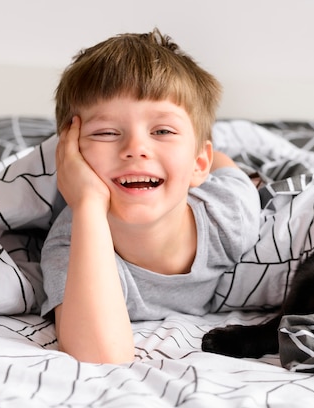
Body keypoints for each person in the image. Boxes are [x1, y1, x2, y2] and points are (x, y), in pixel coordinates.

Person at [40, 29, 261, 364]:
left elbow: (226, 170)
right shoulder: (71, 245)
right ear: (70, 159)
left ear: (199, 164)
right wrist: (85, 204)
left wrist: (200, 165)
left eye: (162, 131)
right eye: (106, 133)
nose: (135, 149)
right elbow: (100, 357)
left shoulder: (230, 214)